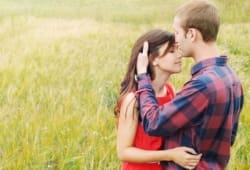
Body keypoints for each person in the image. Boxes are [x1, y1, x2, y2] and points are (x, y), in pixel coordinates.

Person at [135, 0, 244, 170]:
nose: (176, 40)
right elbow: (229, 137)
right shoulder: (232, 78)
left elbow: (153, 123)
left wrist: (142, 76)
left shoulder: (202, 85)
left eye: (177, 32)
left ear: (191, 34)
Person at [115, 29, 201, 170]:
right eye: (171, 51)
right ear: (153, 59)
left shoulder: (170, 90)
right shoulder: (133, 99)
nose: (179, 55)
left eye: (178, 49)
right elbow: (123, 152)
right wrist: (170, 155)